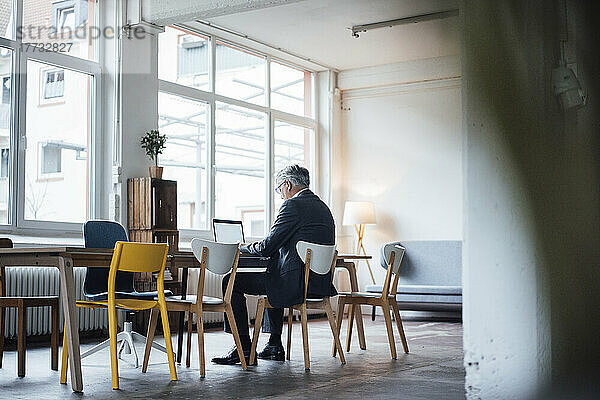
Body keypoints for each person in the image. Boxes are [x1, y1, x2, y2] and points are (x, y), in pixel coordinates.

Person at [212, 164, 337, 365]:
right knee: (275, 272)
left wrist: (241, 247)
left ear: (287, 184)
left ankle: (243, 347)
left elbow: (266, 247)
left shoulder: (292, 206)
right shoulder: (323, 207)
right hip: (318, 283)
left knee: (231, 281)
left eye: (279, 189)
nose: (280, 195)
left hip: (295, 283)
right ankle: (273, 345)